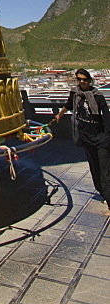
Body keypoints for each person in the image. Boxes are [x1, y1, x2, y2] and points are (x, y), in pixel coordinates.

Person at [51, 68, 110, 209]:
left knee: (105, 169)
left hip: (100, 137)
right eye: (79, 79)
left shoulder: (98, 96)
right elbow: (68, 104)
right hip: (86, 136)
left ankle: (109, 197)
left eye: (84, 79)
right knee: (94, 167)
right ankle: (103, 193)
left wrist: (108, 135)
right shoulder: (76, 94)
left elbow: (106, 116)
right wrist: (60, 115)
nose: (82, 82)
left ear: (89, 80)